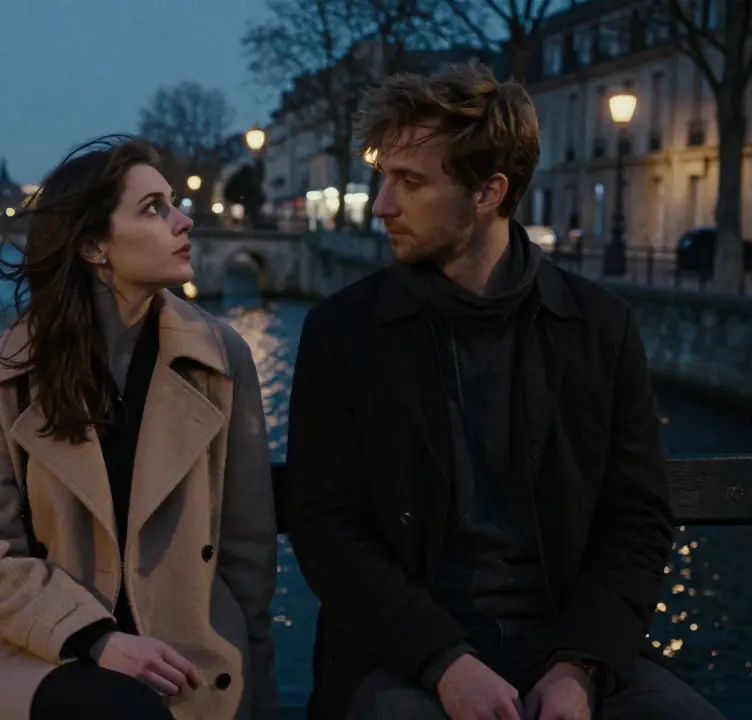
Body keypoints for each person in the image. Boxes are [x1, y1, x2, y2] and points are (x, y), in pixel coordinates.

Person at [284, 61, 726, 720]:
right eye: (384, 178)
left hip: (567, 646)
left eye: (408, 181)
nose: (382, 204)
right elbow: (327, 528)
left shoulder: (598, 328)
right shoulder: (344, 332)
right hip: (401, 653)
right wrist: (443, 661)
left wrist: (580, 664)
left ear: (489, 191)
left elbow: (636, 519)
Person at [0, 135, 279, 720]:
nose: (185, 220)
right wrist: (94, 638)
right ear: (94, 245)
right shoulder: (1, 375)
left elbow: (248, 556)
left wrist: (254, 691)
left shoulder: (222, 361)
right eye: (155, 208)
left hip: (185, 659)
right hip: (42, 653)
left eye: (173, 202)